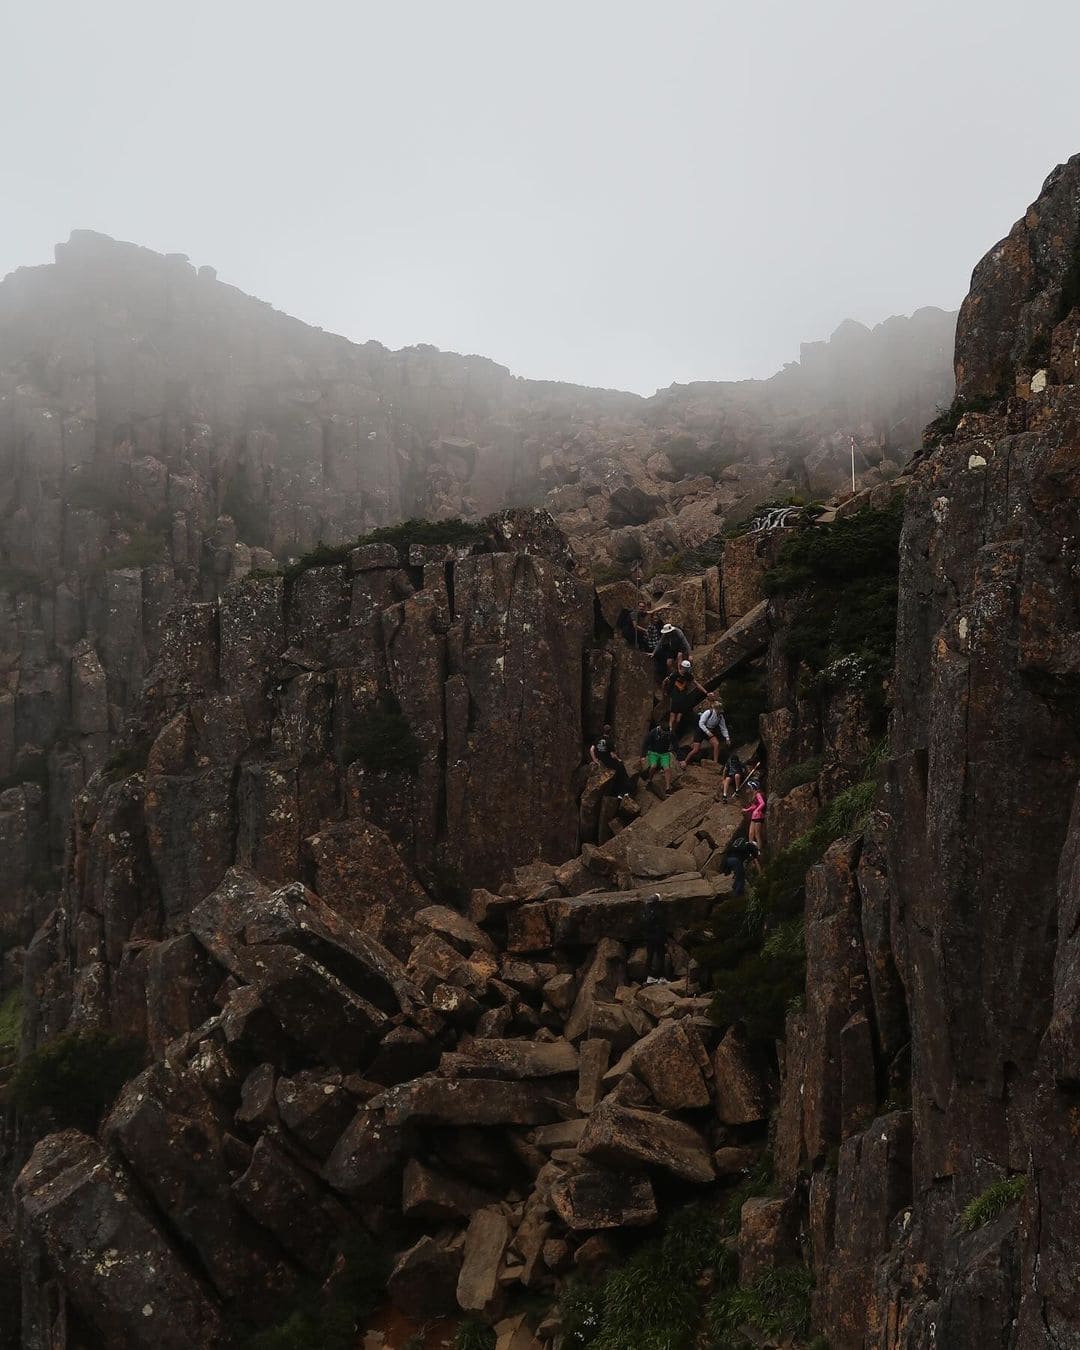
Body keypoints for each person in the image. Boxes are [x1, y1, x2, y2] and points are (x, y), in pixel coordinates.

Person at [684, 693, 730, 764]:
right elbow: (701, 723)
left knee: (716, 744)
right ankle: (685, 761)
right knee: (696, 749)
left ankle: (715, 762)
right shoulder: (708, 712)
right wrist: (708, 732)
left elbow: (723, 728)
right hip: (701, 730)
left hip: (709, 730)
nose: (720, 712)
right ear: (716, 709)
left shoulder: (720, 717)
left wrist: (727, 738)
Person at [665, 660, 708, 734]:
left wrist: (706, 692)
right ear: (681, 667)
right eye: (685, 668)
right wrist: (665, 693)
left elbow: (696, 684)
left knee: (678, 719)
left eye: (687, 669)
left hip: (683, 697)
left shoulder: (688, 675)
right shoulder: (675, 674)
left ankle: (673, 731)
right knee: (672, 716)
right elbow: (666, 681)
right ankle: (670, 730)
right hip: (675, 696)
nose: (686, 670)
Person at [641, 720, 676, 792]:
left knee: (667, 769)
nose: (665, 734)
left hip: (665, 753)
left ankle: (668, 788)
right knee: (653, 766)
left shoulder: (670, 733)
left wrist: (681, 759)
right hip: (653, 752)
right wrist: (643, 756)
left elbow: (676, 745)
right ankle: (649, 780)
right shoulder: (653, 732)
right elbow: (645, 743)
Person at [643, 894, 667, 983]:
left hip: (649, 938)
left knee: (650, 956)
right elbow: (662, 924)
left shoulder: (646, 910)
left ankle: (650, 976)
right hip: (658, 937)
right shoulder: (658, 910)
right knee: (660, 956)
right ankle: (661, 976)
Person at [742, 778, 767, 850]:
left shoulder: (758, 794)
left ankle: (759, 850)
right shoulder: (754, 795)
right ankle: (751, 848)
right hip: (754, 816)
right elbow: (754, 806)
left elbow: (762, 803)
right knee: (750, 833)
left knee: (757, 834)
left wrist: (757, 810)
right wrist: (746, 810)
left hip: (759, 816)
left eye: (749, 787)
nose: (749, 789)